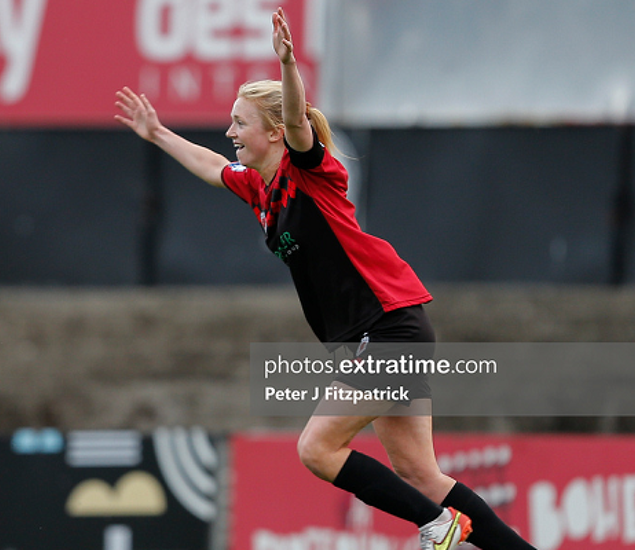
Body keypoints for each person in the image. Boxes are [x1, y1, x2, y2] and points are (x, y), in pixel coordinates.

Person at [115, 7, 536, 550]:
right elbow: (209, 164)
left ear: (271, 132)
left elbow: (296, 122)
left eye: (240, 123)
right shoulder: (260, 189)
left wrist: (288, 64)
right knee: (421, 475)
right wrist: (157, 133)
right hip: (377, 335)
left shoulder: (308, 171)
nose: (230, 131)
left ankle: (437, 525)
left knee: (316, 448)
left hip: (388, 328)